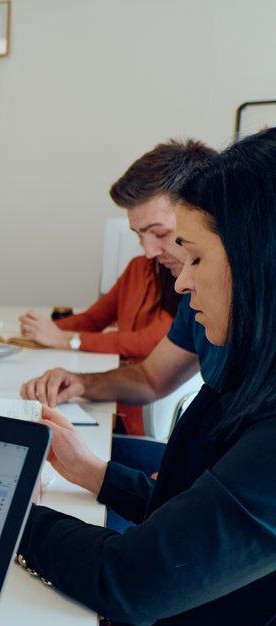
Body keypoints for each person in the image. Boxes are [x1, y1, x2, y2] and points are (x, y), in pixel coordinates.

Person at [19, 128, 276, 626]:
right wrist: (94, 473)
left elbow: (132, 580)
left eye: (193, 255)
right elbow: (200, 507)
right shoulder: (250, 373)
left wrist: (9, 513)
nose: (180, 281)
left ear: (256, 259)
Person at [19, 140, 216, 435]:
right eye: (139, 236)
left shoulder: (244, 304)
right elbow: (150, 379)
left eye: (160, 233)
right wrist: (82, 382)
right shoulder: (191, 295)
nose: (148, 251)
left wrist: (68, 340)